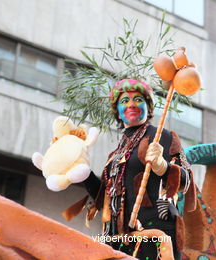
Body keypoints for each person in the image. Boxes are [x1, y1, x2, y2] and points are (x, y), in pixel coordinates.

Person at [81, 78, 193, 259]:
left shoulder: (161, 136)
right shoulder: (115, 155)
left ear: (148, 106)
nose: (131, 104)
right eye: (124, 101)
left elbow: (185, 180)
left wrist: (162, 167)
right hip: (119, 239)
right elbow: (104, 200)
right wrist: (83, 173)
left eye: (138, 99)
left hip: (155, 232)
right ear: (117, 111)